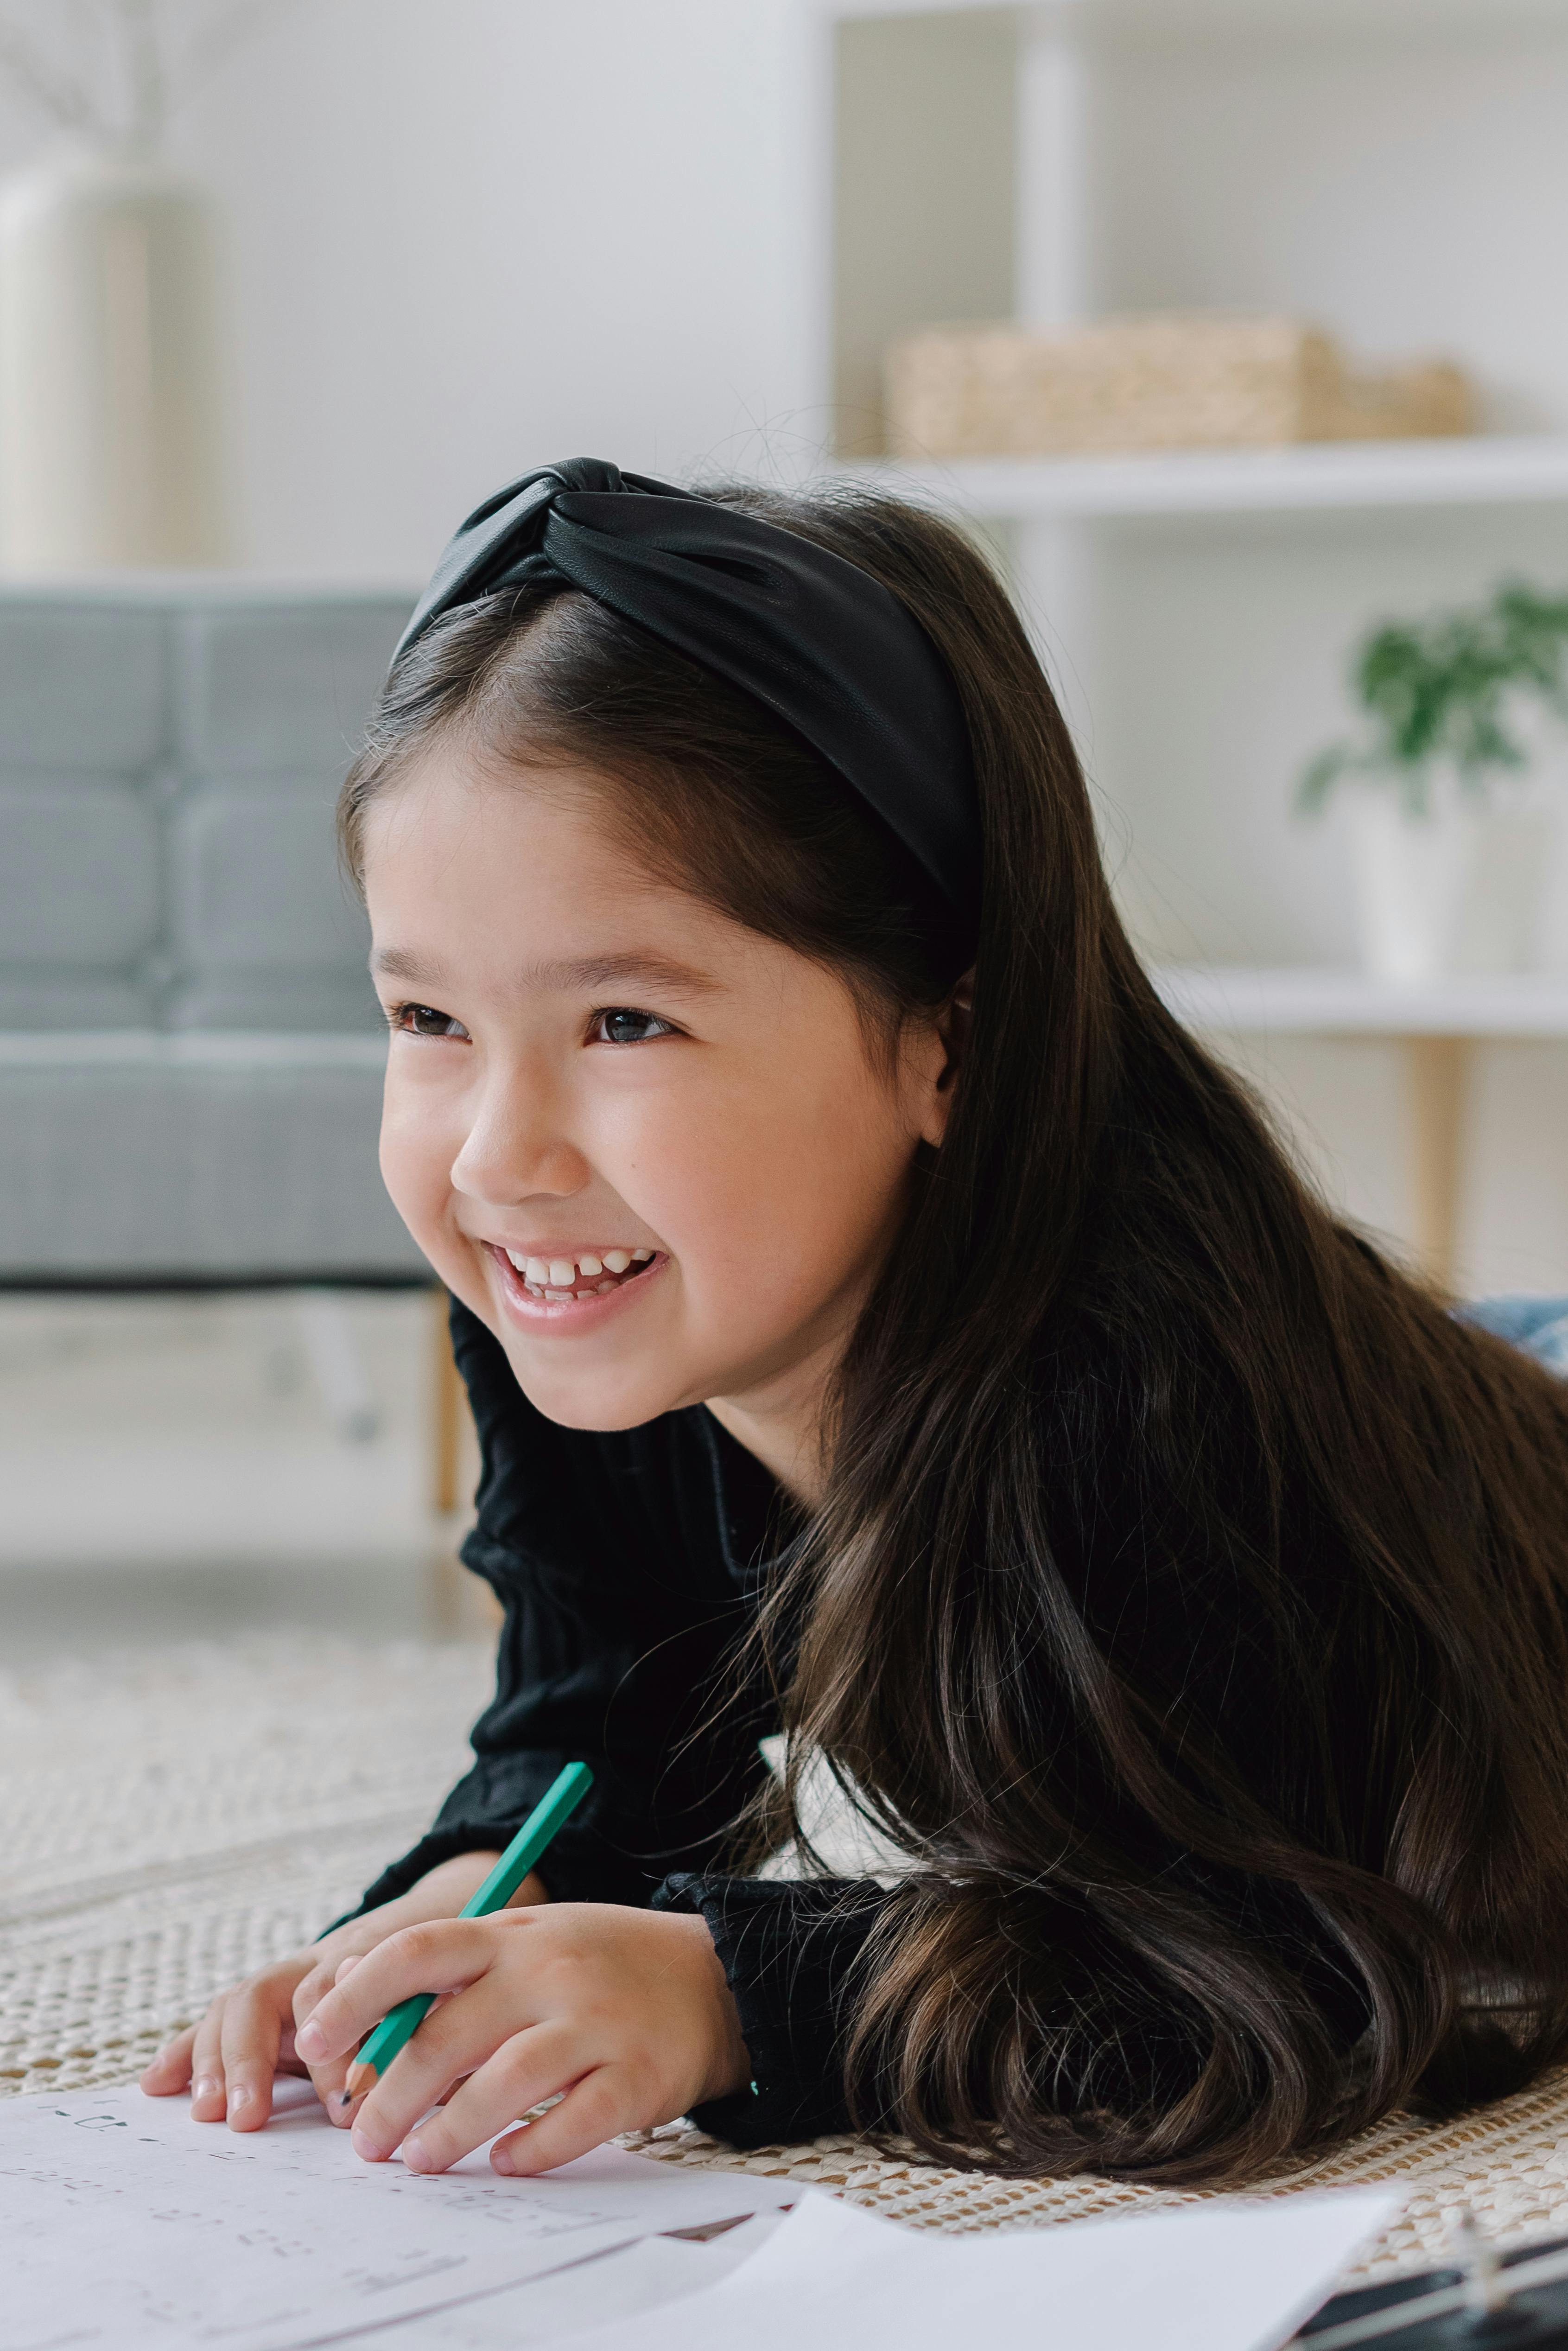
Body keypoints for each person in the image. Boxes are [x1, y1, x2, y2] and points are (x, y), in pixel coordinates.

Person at [143, 460, 1568, 2188]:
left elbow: (1286, 1972)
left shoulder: (1155, 1390)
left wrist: (737, 1995)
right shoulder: (587, 1281)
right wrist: (449, 1913)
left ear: (942, 1046)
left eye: (625, 1023)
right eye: (428, 1015)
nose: (500, 1157)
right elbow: (602, 1723)